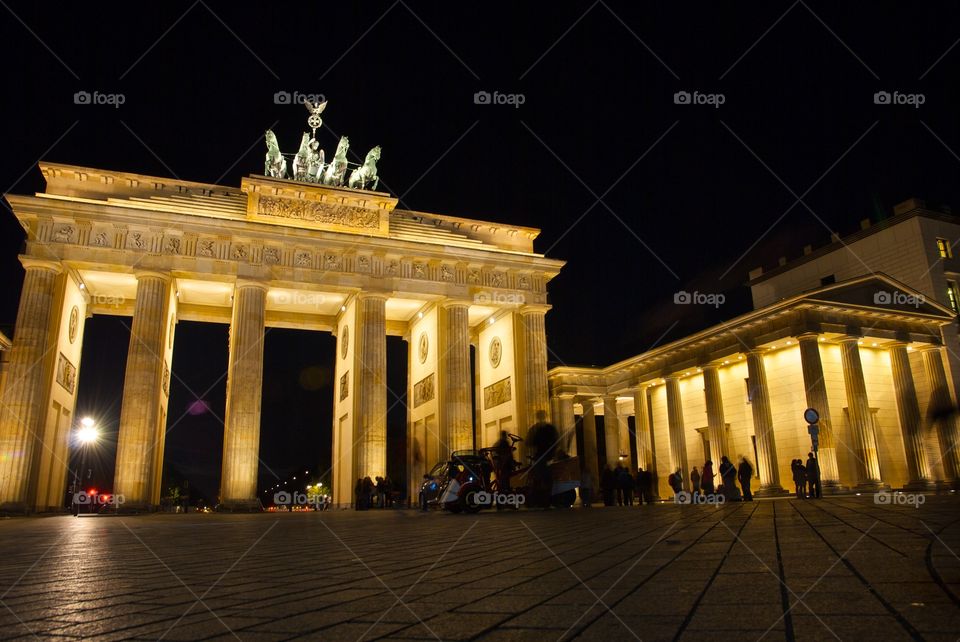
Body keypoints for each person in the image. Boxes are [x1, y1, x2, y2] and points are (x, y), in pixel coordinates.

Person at [527, 411, 560, 507]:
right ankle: (545, 499)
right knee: (545, 478)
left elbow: (530, 442)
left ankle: (543, 499)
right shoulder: (548, 428)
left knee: (542, 477)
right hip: (545, 456)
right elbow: (556, 441)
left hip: (543, 457)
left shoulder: (537, 429)